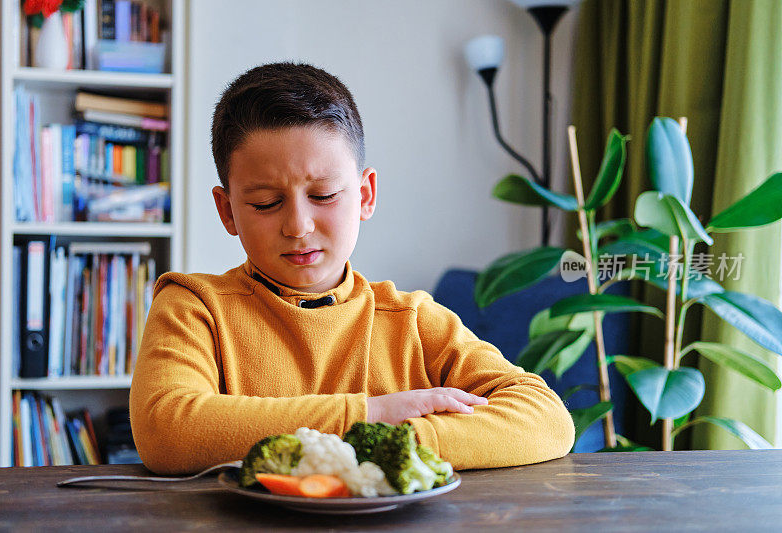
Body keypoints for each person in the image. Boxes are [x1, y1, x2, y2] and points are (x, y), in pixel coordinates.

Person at [129, 62, 575, 475]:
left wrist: (397, 440)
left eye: (323, 196)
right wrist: (372, 415)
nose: (298, 226)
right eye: (266, 202)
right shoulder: (195, 307)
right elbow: (167, 430)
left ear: (365, 195)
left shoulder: (412, 321)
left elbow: (545, 417)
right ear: (227, 211)